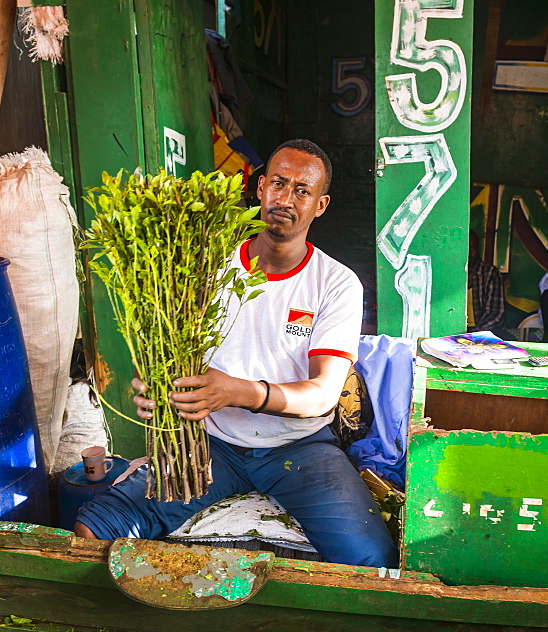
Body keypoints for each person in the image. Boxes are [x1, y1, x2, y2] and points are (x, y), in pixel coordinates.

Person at [74, 139, 397, 568]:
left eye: (302, 190)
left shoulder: (336, 283)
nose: (286, 198)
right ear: (260, 188)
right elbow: (170, 362)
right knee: (93, 529)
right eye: (278, 183)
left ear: (320, 205)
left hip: (299, 450)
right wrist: (155, 389)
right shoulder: (206, 267)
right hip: (209, 444)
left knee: (372, 558)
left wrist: (237, 392)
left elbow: (322, 395)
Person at [466, 230, 509, 339]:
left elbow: (495, 314)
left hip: (484, 332)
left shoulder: (490, 273)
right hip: (456, 333)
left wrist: (472, 335)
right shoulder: (450, 273)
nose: (469, 253)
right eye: (465, 248)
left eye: (473, 248)